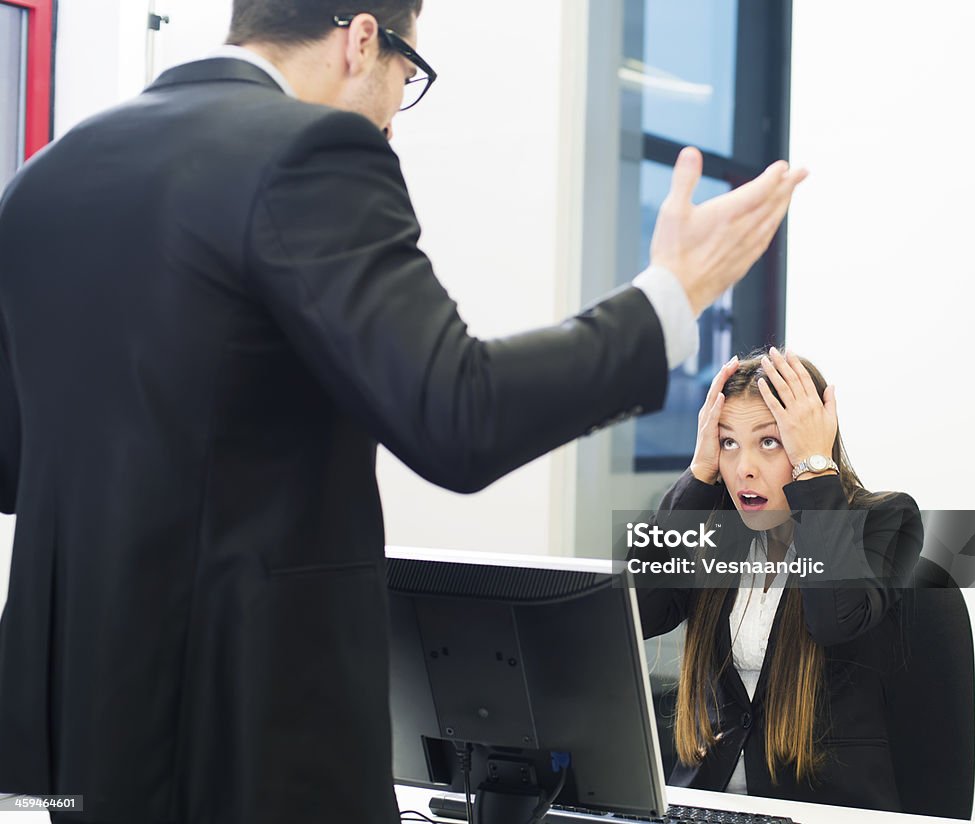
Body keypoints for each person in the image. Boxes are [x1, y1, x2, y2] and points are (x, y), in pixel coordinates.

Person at [0, 2, 807, 822]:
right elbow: (458, 413)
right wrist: (666, 302)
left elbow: (15, 455)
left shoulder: (47, 177)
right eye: (408, 76)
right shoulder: (310, 149)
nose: (396, 113)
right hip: (255, 740)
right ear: (360, 39)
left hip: (80, 736)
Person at [634, 347, 924, 812]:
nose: (744, 467)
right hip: (705, 806)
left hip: (820, 810)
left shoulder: (886, 520)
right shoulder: (715, 530)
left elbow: (833, 619)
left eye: (769, 442)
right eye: (729, 442)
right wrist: (699, 473)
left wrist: (813, 466)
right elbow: (639, 610)